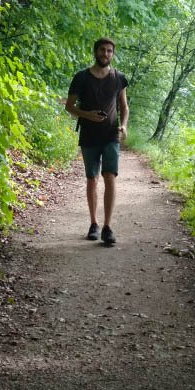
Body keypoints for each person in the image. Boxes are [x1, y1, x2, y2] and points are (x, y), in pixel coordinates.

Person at [65, 37, 129, 246]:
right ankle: (93, 224)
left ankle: (107, 227)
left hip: (111, 134)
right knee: (92, 179)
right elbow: (69, 106)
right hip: (89, 135)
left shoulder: (119, 78)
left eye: (110, 51)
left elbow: (124, 107)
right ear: (95, 52)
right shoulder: (81, 77)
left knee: (110, 177)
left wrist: (124, 125)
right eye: (102, 50)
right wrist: (87, 115)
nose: (106, 54)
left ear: (113, 54)